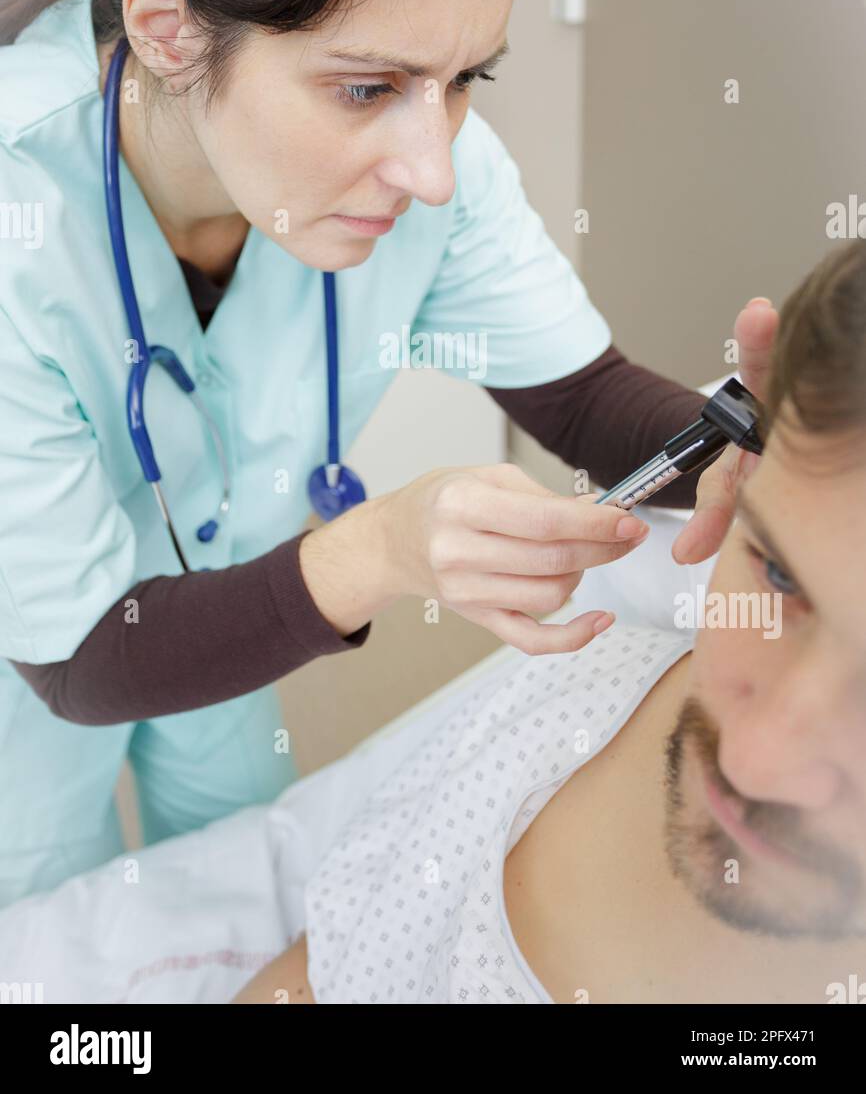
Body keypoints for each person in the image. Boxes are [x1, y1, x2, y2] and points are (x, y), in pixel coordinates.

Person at [0, 0, 774, 907]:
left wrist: (776, 440)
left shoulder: (430, 168)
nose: (434, 168)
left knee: (229, 889)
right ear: (166, 25)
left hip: (225, 622)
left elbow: (584, 400)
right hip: (34, 678)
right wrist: (375, 553)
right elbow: (88, 654)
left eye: (465, 79)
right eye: (366, 87)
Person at [233, 240, 866, 1003]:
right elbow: (321, 971)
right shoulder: (585, 693)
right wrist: (376, 548)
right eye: (780, 573)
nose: (752, 760)